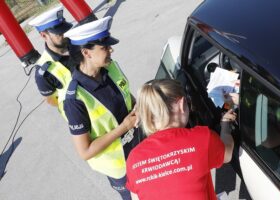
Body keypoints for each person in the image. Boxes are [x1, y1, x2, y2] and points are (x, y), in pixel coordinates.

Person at [63, 16, 142, 200]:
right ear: (86, 53)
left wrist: (140, 105)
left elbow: (126, 96)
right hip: (120, 168)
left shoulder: (111, 67)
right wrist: (124, 127)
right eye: (104, 47)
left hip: (140, 147)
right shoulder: (75, 99)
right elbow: (85, 151)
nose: (111, 50)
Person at [126, 79, 236, 200]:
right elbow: (227, 154)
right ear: (181, 103)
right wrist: (225, 125)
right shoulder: (201, 138)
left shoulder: (133, 158)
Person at [29, 5, 75, 115]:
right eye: (59, 32)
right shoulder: (44, 73)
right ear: (44, 35)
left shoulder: (79, 46)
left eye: (64, 29)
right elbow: (51, 100)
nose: (64, 34)